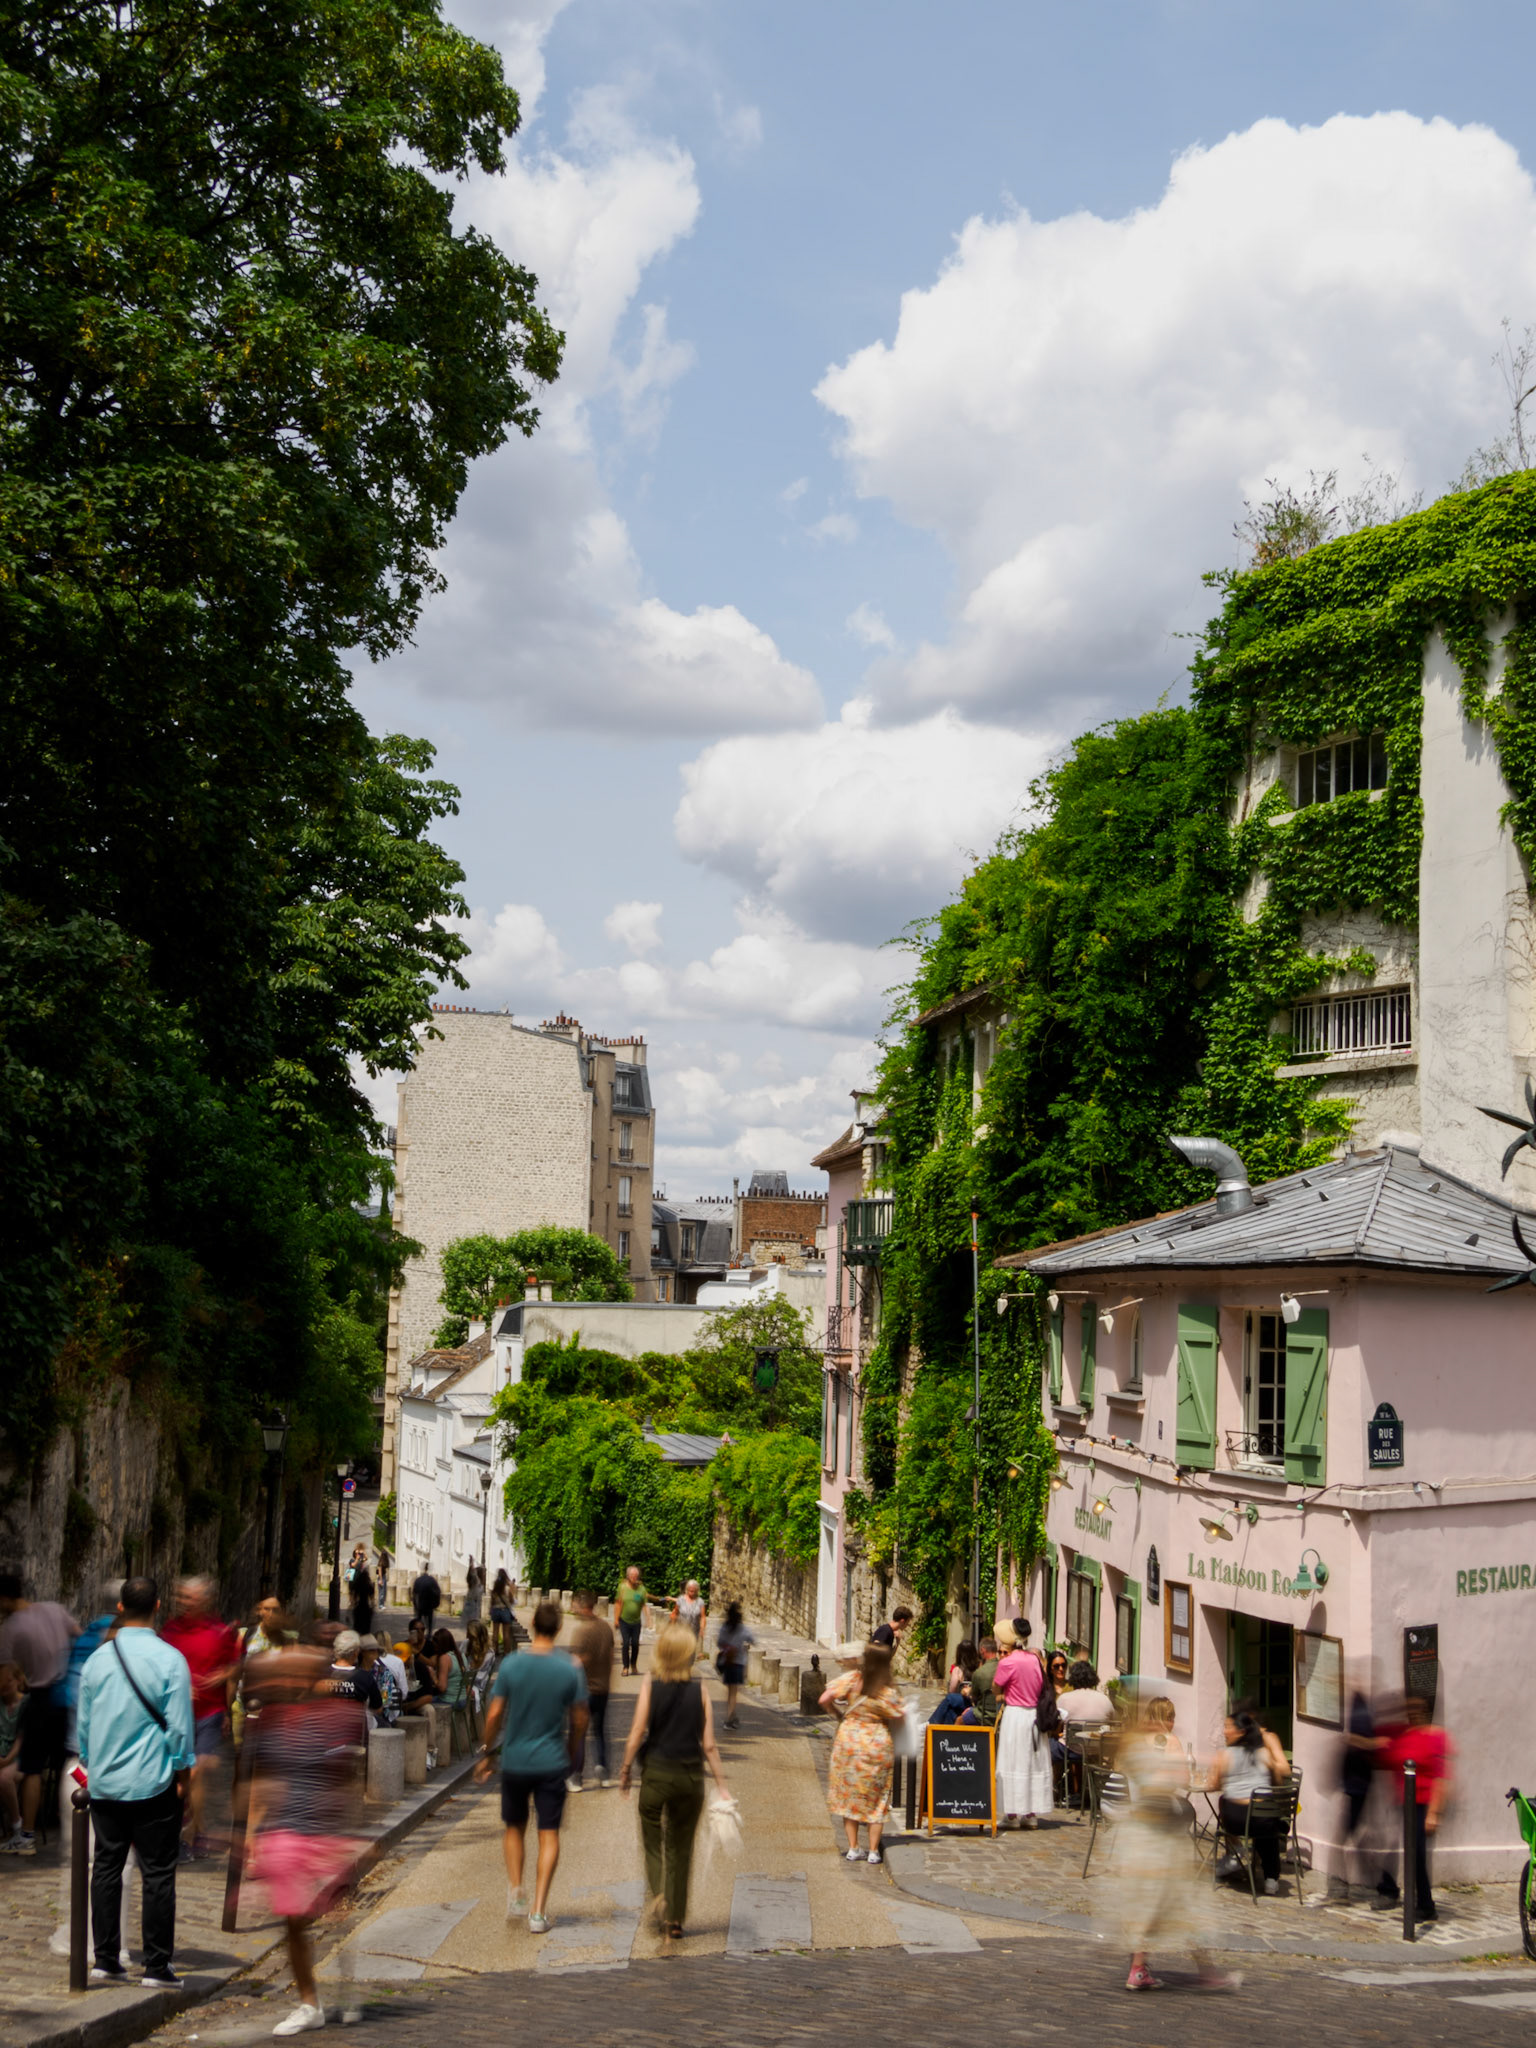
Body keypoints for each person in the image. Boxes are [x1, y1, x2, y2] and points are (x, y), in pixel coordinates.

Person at [245, 1632, 370, 2034]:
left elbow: (347, 1780)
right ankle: (310, 2002)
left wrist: (347, 1836)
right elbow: (263, 1778)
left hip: (322, 1833)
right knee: (294, 1920)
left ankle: (347, 1989)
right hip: (285, 1831)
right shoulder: (272, 1718)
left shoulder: (339, 1717)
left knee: (335, 1916)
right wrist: (251, 1834)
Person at [76, 1576, 195, 1989]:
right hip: (154, 1780)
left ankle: (105, 1959)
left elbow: (85, 1727)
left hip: (106, 1783)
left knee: (106, 1868)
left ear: (121, 1608)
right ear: (158, 1606)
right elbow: (180, 1730)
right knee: (158, 1873)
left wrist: (93, 1765)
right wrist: (184, 1774)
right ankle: (157, 1966)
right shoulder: (171, 1660)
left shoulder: (96, 1661)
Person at [476, 1600, 588, 1935]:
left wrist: (486, 1751)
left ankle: (515, 1890)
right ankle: (538, 1912)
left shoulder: (512, 1664)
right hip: (552, 1760)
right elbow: (581, 1718)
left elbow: (495, 1714)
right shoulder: (570, 1668)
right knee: (548, 1834)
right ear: (558, 1629)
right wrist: (570, 1749)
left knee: (514, 1827)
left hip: (515, 1760)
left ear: (535, 1625)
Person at [619, 1621, 731, 1946]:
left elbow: (638, 1731)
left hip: (656, 1772)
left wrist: (626, 1769)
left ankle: (658, 1895)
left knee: (653, 1842)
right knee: (681, 1849)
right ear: (690, 1655)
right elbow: (708, 1745)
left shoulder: (651, 1685)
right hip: (690, 1777)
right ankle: (676, 1919)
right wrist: (721, 1784)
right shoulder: (701, 1691)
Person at [1117, 1697, 1238, 1993]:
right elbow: (1183, 1779)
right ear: (1165, 1718)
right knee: (1186, 1903)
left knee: (1151, 1904)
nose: (1172, 1722)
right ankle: (1207, 1973)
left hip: (1139, 1829)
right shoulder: (1169, 1742)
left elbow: (1123, 1772)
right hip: (1164, 1831)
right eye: (1170, 1716)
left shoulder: (1134, 1743)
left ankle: (1139, 1968)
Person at [0, 1571, 80, 1855]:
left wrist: (21, 1680)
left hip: (40, 1698)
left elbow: (4, 1674)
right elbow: (80, 1637)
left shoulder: (10, 1628)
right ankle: (77, 1827)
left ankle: (27, 1836)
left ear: (5, 1598)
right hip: (67, 1697)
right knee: (70, 1762)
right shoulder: (54, 1609)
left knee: (32, 1769)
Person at [161, 1575, 239, 1859]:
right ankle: (198, 1828)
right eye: (180, 1597)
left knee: (195, 1772)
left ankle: (189, 1834)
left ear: (204, 1600)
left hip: (209, 1712)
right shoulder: (169, 1630)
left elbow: (235, 1665)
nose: (183, 1603)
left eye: (189, 1598)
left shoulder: (220, 1631)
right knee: (183, 1776)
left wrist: (224, 1676)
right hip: (176, 1714)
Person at [819, 1643, 907, 1865]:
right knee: (877, 1799)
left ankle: (853, 1847)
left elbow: (824, 1699)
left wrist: (839, 1715)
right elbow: (900, 1717)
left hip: (849, 1742)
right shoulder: (887, 1690)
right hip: (877, 1744)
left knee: (851, 1795)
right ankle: (874, 1851)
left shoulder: (851, 1680)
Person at [1383, 1693, 1453, 1924]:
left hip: (1424, 1805)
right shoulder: (1406, 1734)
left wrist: (1434, 1813)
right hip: (1406, 1804)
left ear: (1426, 1710)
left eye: (1417, 1707)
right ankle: (1421, 1903)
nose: (1412, 1712)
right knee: (1413, 1854)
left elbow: (1440, 1777)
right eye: (1409, 1707)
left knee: (1418, 1855)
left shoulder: (1436, 1736)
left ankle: (1426, 1905)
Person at [1209, 1704, 1291, 1894]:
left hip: (1235, 1822)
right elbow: (1278, 1781)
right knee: (1265, 1820)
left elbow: (1215, 1785)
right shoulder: (1264, 1753)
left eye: (1228, 1727)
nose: (1224, 1731)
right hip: (1261, 1821)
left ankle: (1235, 1852)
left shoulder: (1224, 1755)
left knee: (1225, 1801)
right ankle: (1271, 1877)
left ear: (1240, 1732)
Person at [994, 1619, 1053, 1828]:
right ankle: (1030, 1813)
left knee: (1012, 1761)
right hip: (1033, 1716)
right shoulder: (1034, 1660)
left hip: (1015, 1715)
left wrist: (1005, 1694)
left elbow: (996, 1688)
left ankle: (1011, 1814)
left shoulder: (1007, 1662)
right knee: (1031, 1763)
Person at [568, 1592, 614, 1789]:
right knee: (599, 1730)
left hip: (583, 1689)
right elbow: (611, 1656)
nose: (573, 1609)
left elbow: (576, 1662)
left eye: (575, 1606)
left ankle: (576, 1775)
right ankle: (602, 1767)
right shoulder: (605, 1628)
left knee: (578, 1732)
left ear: (583, 1606)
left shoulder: (581, 1631)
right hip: (602, 1688)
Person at [714, 1602, 755, 1728]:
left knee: (730, 1692)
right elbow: (752, 1639)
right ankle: (729, 1719)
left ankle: (732, 1715)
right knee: (733, 1693)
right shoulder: (742, 1628)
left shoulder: (724, 1627)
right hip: (738, 1663)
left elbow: (719, 1642)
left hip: (727, 1662)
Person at [329, 1631, 383, 1718]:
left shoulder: (321, 1673)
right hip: (355, 1727)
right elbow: (378, 1709)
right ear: (356, 1653)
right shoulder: (365, 1677)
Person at [0, 1661, 25, 1845]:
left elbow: (21, 1738)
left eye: (8, 1681)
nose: (4, 1686)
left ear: (17, 1680)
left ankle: (17, 1824)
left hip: (19, 1756)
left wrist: (8, 1759)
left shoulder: (25, 1704)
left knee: (4, 1778)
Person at [614, 1566, 648, 1677]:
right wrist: (616, 1619)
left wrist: (648, 1618)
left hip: (636, 1621)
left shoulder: (641, 1589)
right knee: (625, 1644)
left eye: (636, 1576)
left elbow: (644, 1604)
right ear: (628, 1576)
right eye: (632, 1575)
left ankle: (633, 1665)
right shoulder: (622, 1587)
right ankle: (625, 1667)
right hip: (624, 1620)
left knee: (635, 1644)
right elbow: (618, 1603)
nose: (634, 1577)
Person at [1058, 1660, 1115, 1726]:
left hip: (1070, 1736)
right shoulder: (1105, 1700)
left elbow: (1055, 1723)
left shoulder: (1063, 1699)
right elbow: (1113, 1721)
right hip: (1097, 1735)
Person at [968, 1637, 1001, 1728]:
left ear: (982, 1650)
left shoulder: (979, 1673)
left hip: (983, 1716)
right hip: (1000, 1714)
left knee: (960, 1720)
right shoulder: (1004, 1668)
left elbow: (974, 1697)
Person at [490, 1571, 517, 1657]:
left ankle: (495, 1650)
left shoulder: (495, 1587)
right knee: (506, 1633)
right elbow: (511, 1601)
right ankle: (506, 1652)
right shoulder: (507, 1588)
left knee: (495, 1632)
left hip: (495, 1610)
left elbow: (492, 1601)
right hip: (505, 1611)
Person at [348, 1555, 375, 1640]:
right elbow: (372, 1599)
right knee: (366, 1628)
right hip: (366, 1608)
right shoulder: (369, 1586)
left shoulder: (357, 1585)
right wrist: (373, 1608)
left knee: (357, 1627)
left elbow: (353, 1597)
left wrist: (351, 1606)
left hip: (358, 1608)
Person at [672, 1580, 706, 1644]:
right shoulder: (681, 1600)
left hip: (694, 1631)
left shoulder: (700, 1601)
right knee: (681, 1649)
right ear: (687, 1590)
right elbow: (675, 1614)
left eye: (694, 1591)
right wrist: (672, 1627)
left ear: (697, 1591)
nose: (692, 1593)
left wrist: (702, 1628)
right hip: (681, 1630)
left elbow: (702, 1617)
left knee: (691, 1650)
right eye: (691, 1591)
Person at [375, 1546, 392, 1611]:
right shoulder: (381, 1563)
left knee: (383, 1591)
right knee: (381, 1592)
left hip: (383, 1577)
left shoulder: (382, 1562)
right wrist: (381, 1580)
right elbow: (379, 1572)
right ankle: (380, 1605)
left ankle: (382, 1604)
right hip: (381, 1578)